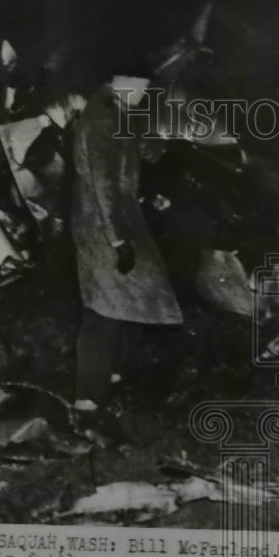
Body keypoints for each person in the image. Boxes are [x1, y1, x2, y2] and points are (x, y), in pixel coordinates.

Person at [70, 67, 182, 434]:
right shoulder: (102, 117)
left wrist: (154, 146)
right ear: (121, 81)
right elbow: (103, 183)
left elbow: (135, 147)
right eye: (139, 88)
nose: (142, 94)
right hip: (102, 223)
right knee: (103, 308)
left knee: (131, 297)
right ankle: (86, 401)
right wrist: (118, 240)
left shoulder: (117, 110)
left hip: (119, 216)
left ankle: (116, 376)